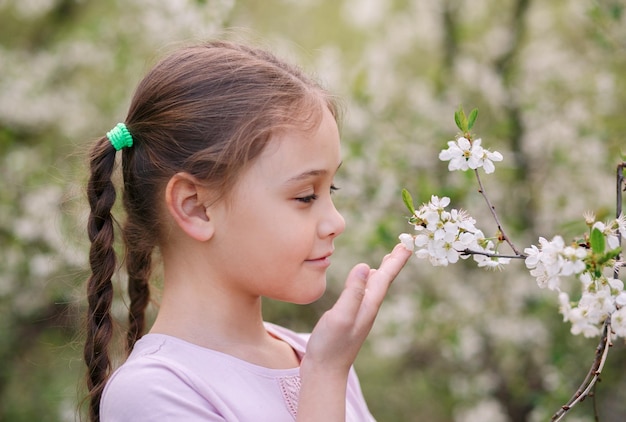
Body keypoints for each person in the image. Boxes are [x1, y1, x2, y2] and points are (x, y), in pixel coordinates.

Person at [84, 40, 411, 422]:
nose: (336, 222)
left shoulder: (314, 352)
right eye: (306, 196)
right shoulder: (153, 392)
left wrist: (327, 367)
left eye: (330, 190)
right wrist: (324, 377)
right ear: (196, 207)